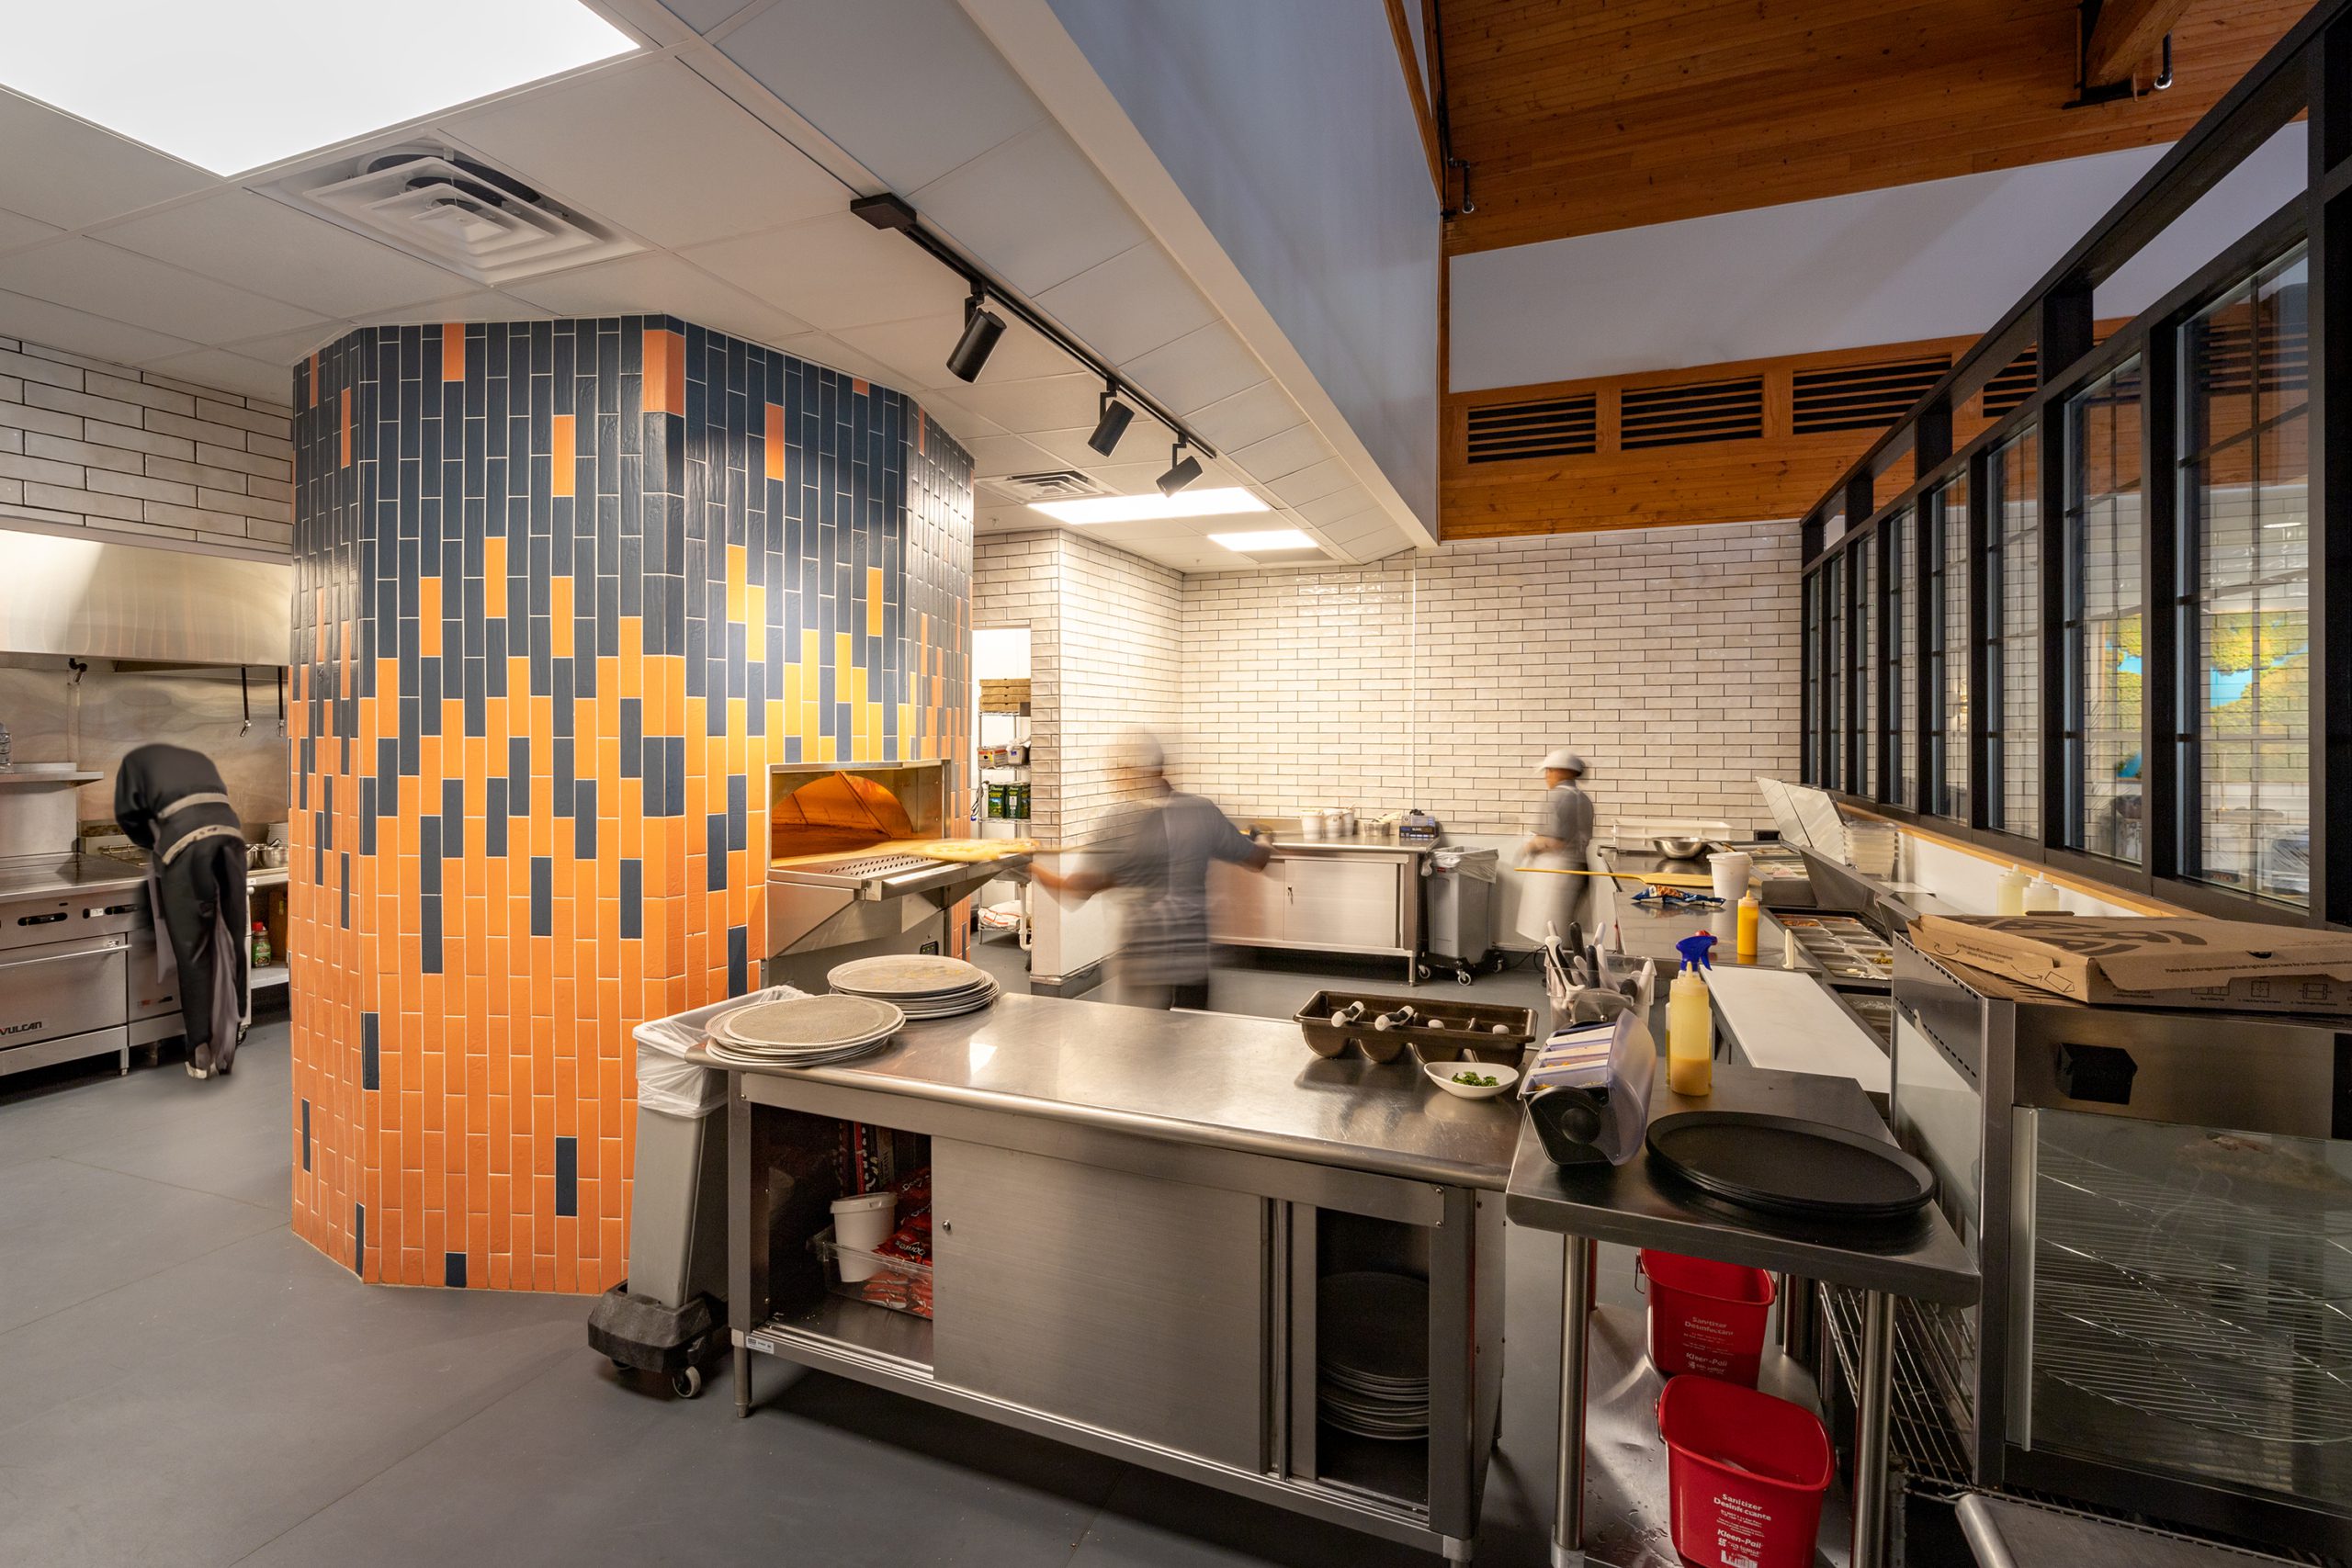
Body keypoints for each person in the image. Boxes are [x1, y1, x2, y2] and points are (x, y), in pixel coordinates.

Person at [1031, 731, 1272, 1011]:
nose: (1116, 778)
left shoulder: (1119, 819)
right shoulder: (1201, 811)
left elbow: (1078, 888)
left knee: (1142, 1045)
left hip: (1144, 962)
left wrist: (1029, 866)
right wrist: (1265, 838)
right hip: (1193, 961)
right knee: (1193, 1038)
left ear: (1132, 772)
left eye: (1120, 770)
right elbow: (1257, 859)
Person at [115, 743, 250, 1079]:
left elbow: (128, 816)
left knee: (194, 953)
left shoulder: (134, 762)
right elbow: (215, 804)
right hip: (232, 841)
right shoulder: (202, 758)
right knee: (234, 941)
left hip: (184, 851)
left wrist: (154, 843)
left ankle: (200, 1050)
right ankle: (230, 1041)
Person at [1516, 747, 1595, 949]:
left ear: (1562, 771)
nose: (1547, 776)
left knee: (1554, 933)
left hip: (1556, 872)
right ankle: (1570, 972)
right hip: (1580, 869)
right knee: (1568, 928)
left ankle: (1561, 975)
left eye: (1549, 770)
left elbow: (1553, 841)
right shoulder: (1584, 799)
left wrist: (1528, 847)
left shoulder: (1554, 797)